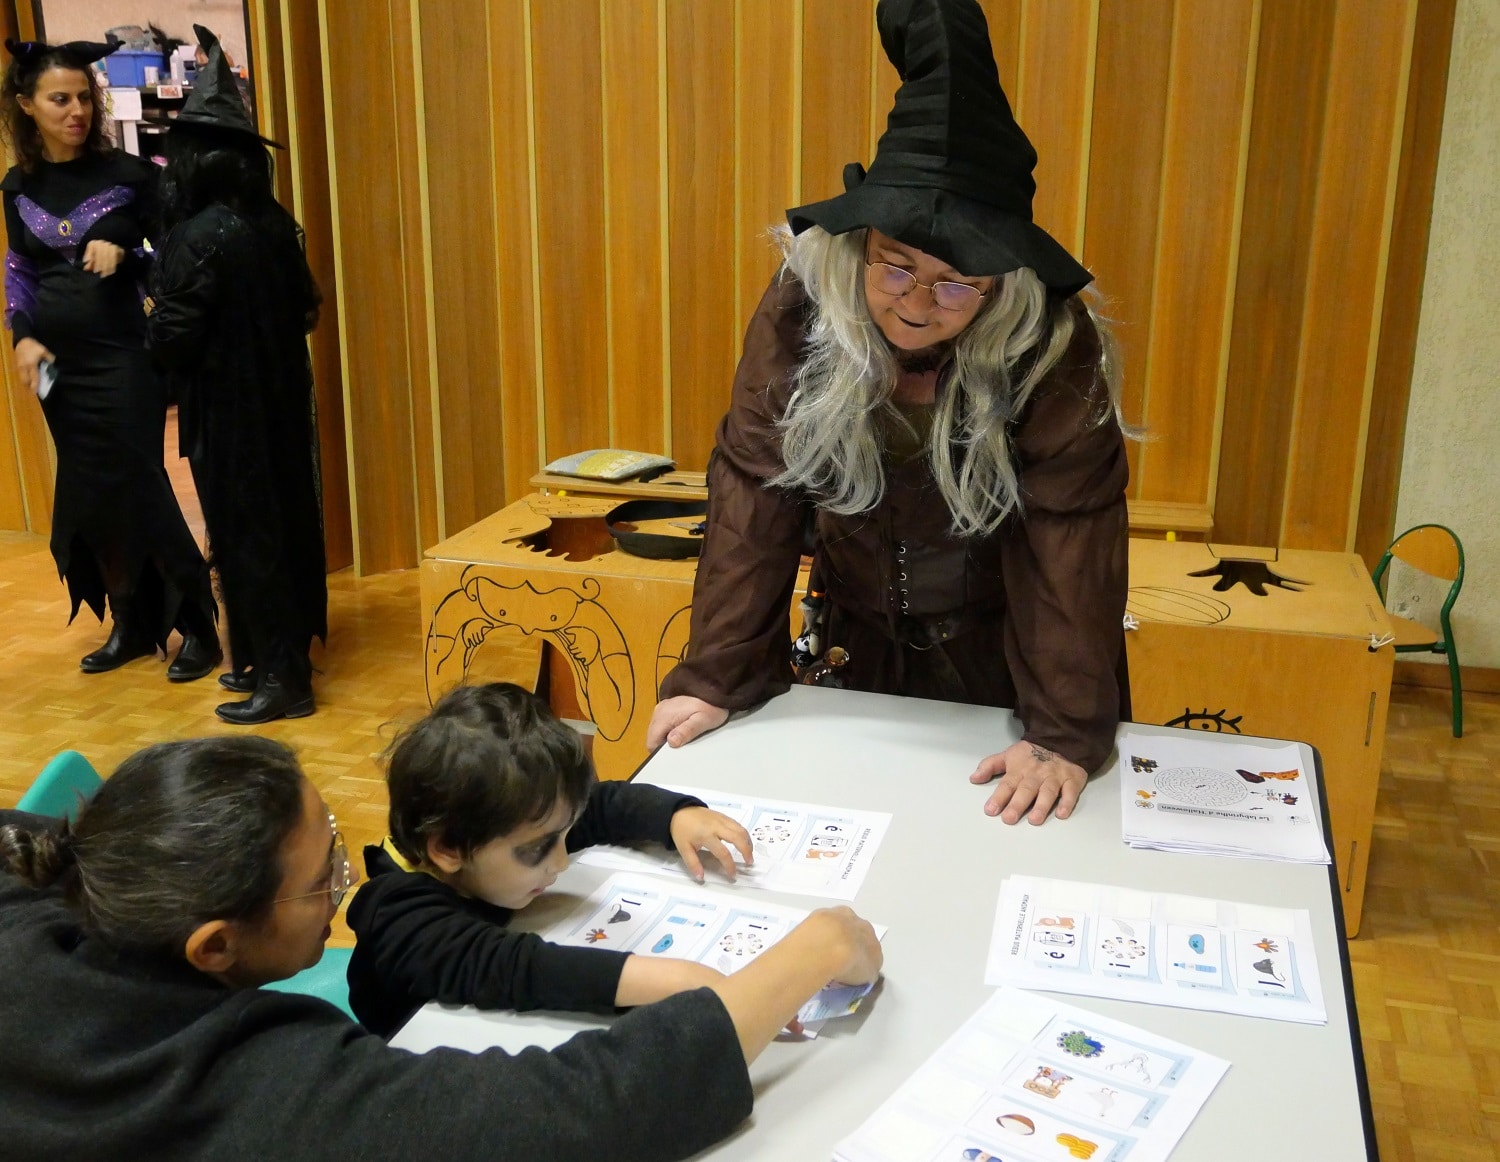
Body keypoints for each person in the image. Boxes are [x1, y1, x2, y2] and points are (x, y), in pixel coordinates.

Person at [649, 0, 1131, 827]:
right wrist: (718, 677)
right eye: (895, 267)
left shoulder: (1052, 344)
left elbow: (1070, 538)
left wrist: (1061, 730)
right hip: (851, 637)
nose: (915, 303)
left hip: (1008, 658)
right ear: (859, 246)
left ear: (1003, 284)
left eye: (955, 284)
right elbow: (756, 490)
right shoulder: (805, 304)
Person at [0, 735, 882, 1160]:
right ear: (214, 947)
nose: (346, 878)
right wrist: (810, 951)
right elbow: (577, 1113)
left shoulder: (56, 892)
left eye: (336, 842)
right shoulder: (254, 1090)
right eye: (322, 878)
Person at [347, 681, 756, 1038]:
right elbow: (520, 970)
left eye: (563, 835)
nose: (560, 861)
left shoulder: (505, 825)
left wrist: (675, 815)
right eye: (538, 849)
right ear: (448, 849)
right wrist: (674, 977)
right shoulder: (398, 917)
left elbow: (599, 805)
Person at [1, 38, 219, 680]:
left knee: (139, 482)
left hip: (123, 355)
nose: (76, 111)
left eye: (83, 98)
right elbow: (20, 272)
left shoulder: (130, 175)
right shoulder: (17, 185)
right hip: (54, 366)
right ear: (26, 105)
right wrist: (20, 336)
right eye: (59, 99)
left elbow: (175, 253)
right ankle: (131, 623)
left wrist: (128, 252)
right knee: (89, 491)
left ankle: (198, 624)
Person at [147, 26, 327, 725]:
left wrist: (151, 320)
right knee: (278, 524)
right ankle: (265, 658)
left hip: (228, 412)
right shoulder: (274, 224)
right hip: (279, 401)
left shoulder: (196, 236)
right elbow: (306, 311)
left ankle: (283, 679)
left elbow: (173, 339)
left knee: (248, 535)